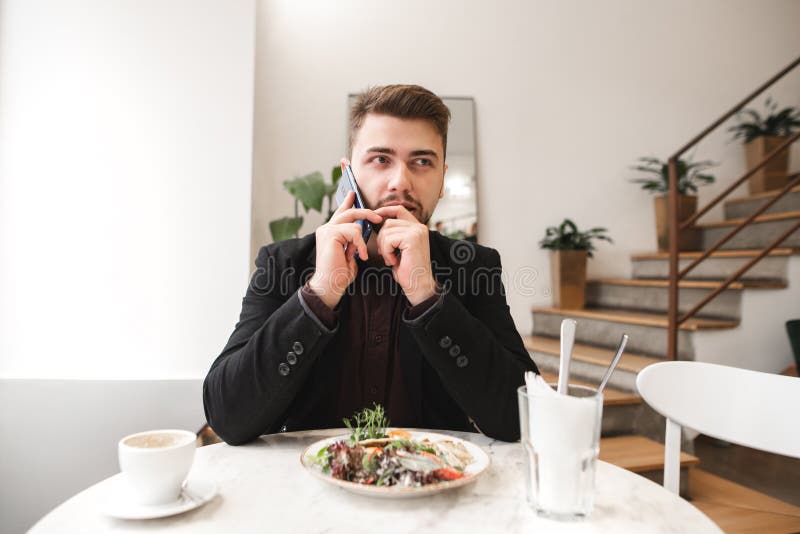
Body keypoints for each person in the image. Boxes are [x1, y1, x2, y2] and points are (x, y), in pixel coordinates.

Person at [203, 85, 538, 445]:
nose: (400, 182)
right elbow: (228, 417)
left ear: (442, 179)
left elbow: (523, 419)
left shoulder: (474, 267)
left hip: (433, 486)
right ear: (348, 174)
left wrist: (428, 296)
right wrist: (319, 294)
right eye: (380, 159)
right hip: (309, 488)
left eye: (422, 162)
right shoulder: (283, 263)